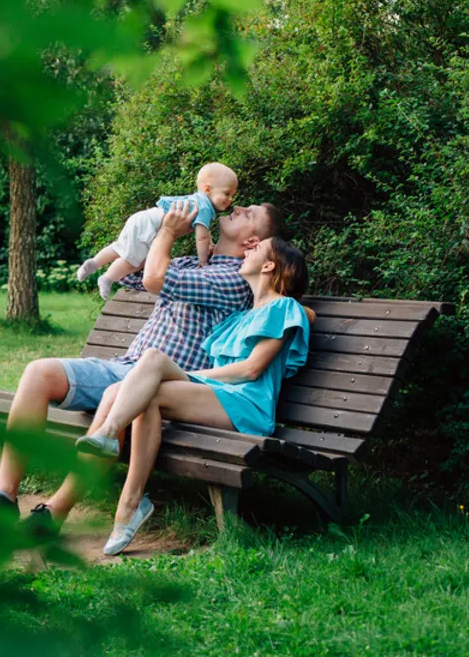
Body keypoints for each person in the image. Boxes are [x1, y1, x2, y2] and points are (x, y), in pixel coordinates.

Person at [0, 198, 286, 533]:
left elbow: (154, 280)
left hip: (160, 381)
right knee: (39, 373)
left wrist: (168, 234)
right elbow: (132, 274)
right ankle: (3, 496)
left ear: (252, 243)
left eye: (249, 214)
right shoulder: (191, 263)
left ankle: (52, 513)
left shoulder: (233, 280)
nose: (238, 208)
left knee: (116, 395)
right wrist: (153, 225)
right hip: (126, 364)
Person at [75, 236, 311, 555]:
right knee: (147, 391)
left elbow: (252, 369)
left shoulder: (284, 307)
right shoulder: (239, 318)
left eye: (256, 249)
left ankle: (108, 436)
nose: (247, 249)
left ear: (269, 265)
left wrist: (191, 377)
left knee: (154, 361)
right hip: (218, 397)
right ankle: (130, 505)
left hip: (246, 406)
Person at [77, 162, 238, 301]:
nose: (230, 199)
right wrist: (203, 262)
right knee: (134, 261)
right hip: (150, 225)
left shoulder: (198, 202)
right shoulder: (204, 207)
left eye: (232, 195)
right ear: (207, 189)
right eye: (226, 193)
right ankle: (107, 278)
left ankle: (95, 263)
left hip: (144, 218)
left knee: (121, 248)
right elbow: (201, 237)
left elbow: (205, 233)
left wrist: (211, 243)